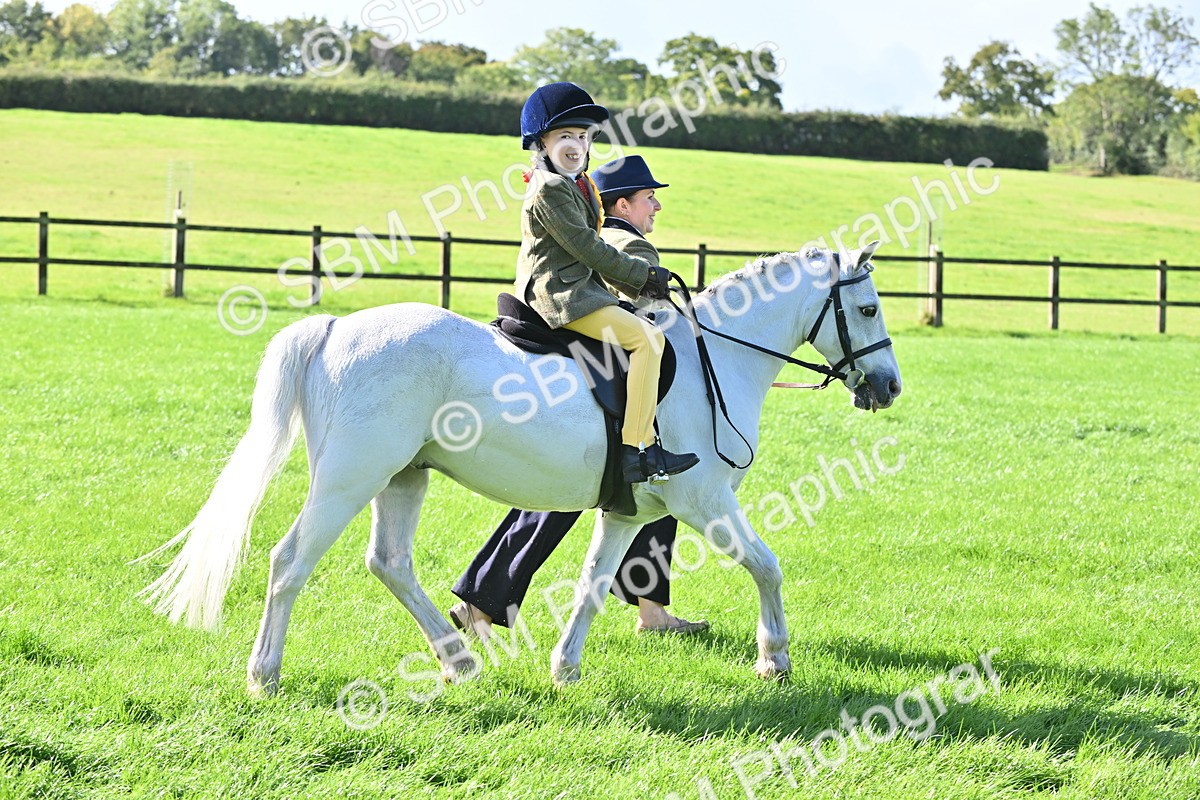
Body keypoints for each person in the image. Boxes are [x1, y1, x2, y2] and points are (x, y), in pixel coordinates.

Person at [450, 154, 709, 640]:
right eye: (649, 197)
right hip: (594, 371)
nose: (656, 206)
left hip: (606, 367)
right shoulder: (626, 243)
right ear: (623, 204)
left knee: (654, 482)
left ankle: (651, 610)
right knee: (573, 490)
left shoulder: (615, 236)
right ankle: (482, 601)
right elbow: (648, 313)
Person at [512, 81, 698, 484]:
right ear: (541, 143)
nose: (577, 144)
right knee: (648, 341)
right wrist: (643, 276)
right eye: (565, 136)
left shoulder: (577, 183)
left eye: (583, 136)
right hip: (559, 294)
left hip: (581, 288)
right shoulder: (550, 189)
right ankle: (637, 451)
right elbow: (588, 249)